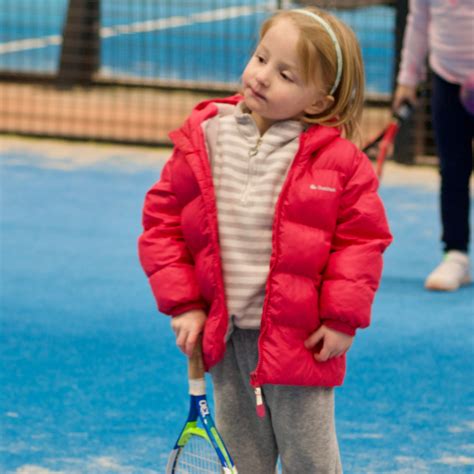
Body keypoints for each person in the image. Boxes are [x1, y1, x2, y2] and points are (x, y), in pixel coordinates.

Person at [139, 7, 392, 473]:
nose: (261, 77)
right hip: (227, 339)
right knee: (241, 462)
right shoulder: (205, 136)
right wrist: (185, 304)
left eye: (285, 74)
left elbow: (360, 244)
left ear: (317, 102)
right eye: (260, 58)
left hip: (302, 341)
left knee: (311, 462)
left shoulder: (342, 163)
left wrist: (341, 319)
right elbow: (164, 224)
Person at [393, 0, 474, 291]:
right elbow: (418, 21)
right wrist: (407, 80)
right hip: (447, 77)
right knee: (452, 169)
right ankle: (455, 253)